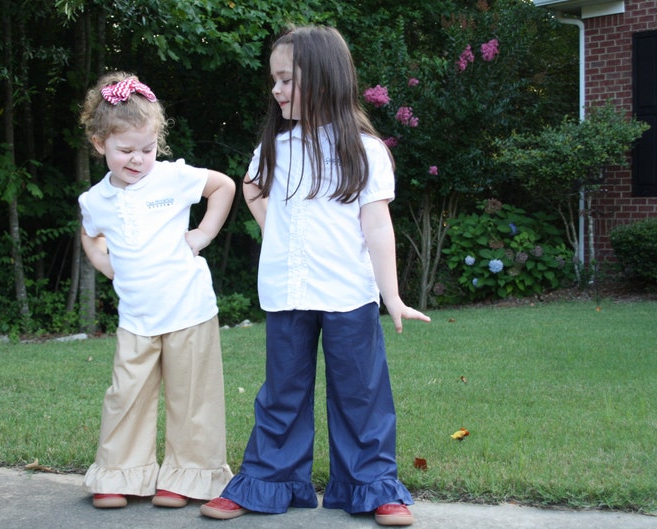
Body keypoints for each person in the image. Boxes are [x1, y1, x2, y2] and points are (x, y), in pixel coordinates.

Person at [199, 26, 430, 527]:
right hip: (287, 293)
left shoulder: (365, 151)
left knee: (361, 394)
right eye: (274, 81)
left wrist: (391, 294)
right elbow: (252, 188)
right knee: (282, 393)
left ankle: (372, 486)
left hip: (349, 294)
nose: (276, 90)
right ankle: (265, 483)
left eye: (286, 80)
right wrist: (278, 234)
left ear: (324, 79)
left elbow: (377, 226)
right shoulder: (276, 148)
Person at [78, 71, 235, 510]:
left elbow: (223, 186)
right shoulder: (96, 200)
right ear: (99, 144)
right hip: (137, 319)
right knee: (126, 397)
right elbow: (90, 236)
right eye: (125, 150)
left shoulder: (173, 178)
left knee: (193, 401)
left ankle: (188, 478)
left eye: (147, 149)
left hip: (189, 309)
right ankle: (119, 474)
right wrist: (108, 266)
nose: (138, 159)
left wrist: (202, 234)